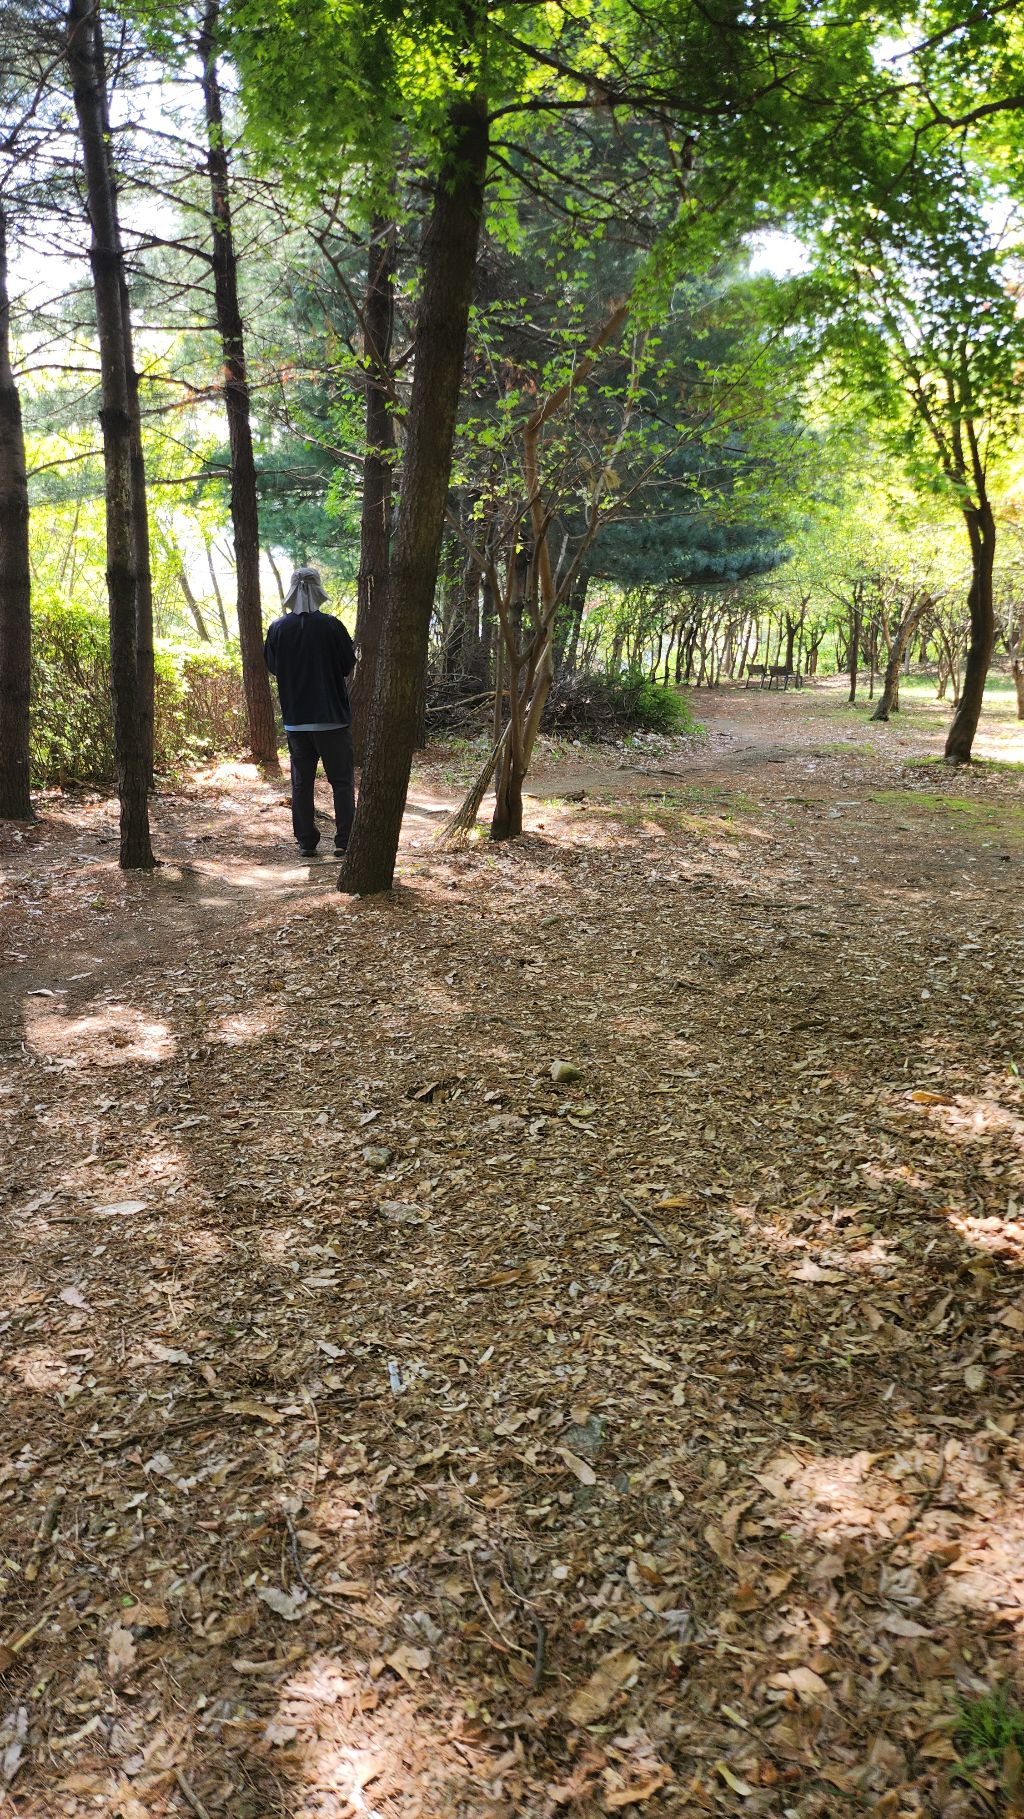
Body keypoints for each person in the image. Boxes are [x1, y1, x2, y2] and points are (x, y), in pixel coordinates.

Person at [264, 567, 357, 858]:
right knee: (341, 782)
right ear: (317, 589)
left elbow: (274, 667)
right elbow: (347, 665)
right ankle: (344, 840)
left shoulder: (278, 629)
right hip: (332, 719)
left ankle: (306, 842)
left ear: (292, 590)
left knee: (301, 784)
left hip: (297, 721)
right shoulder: (332, 626)